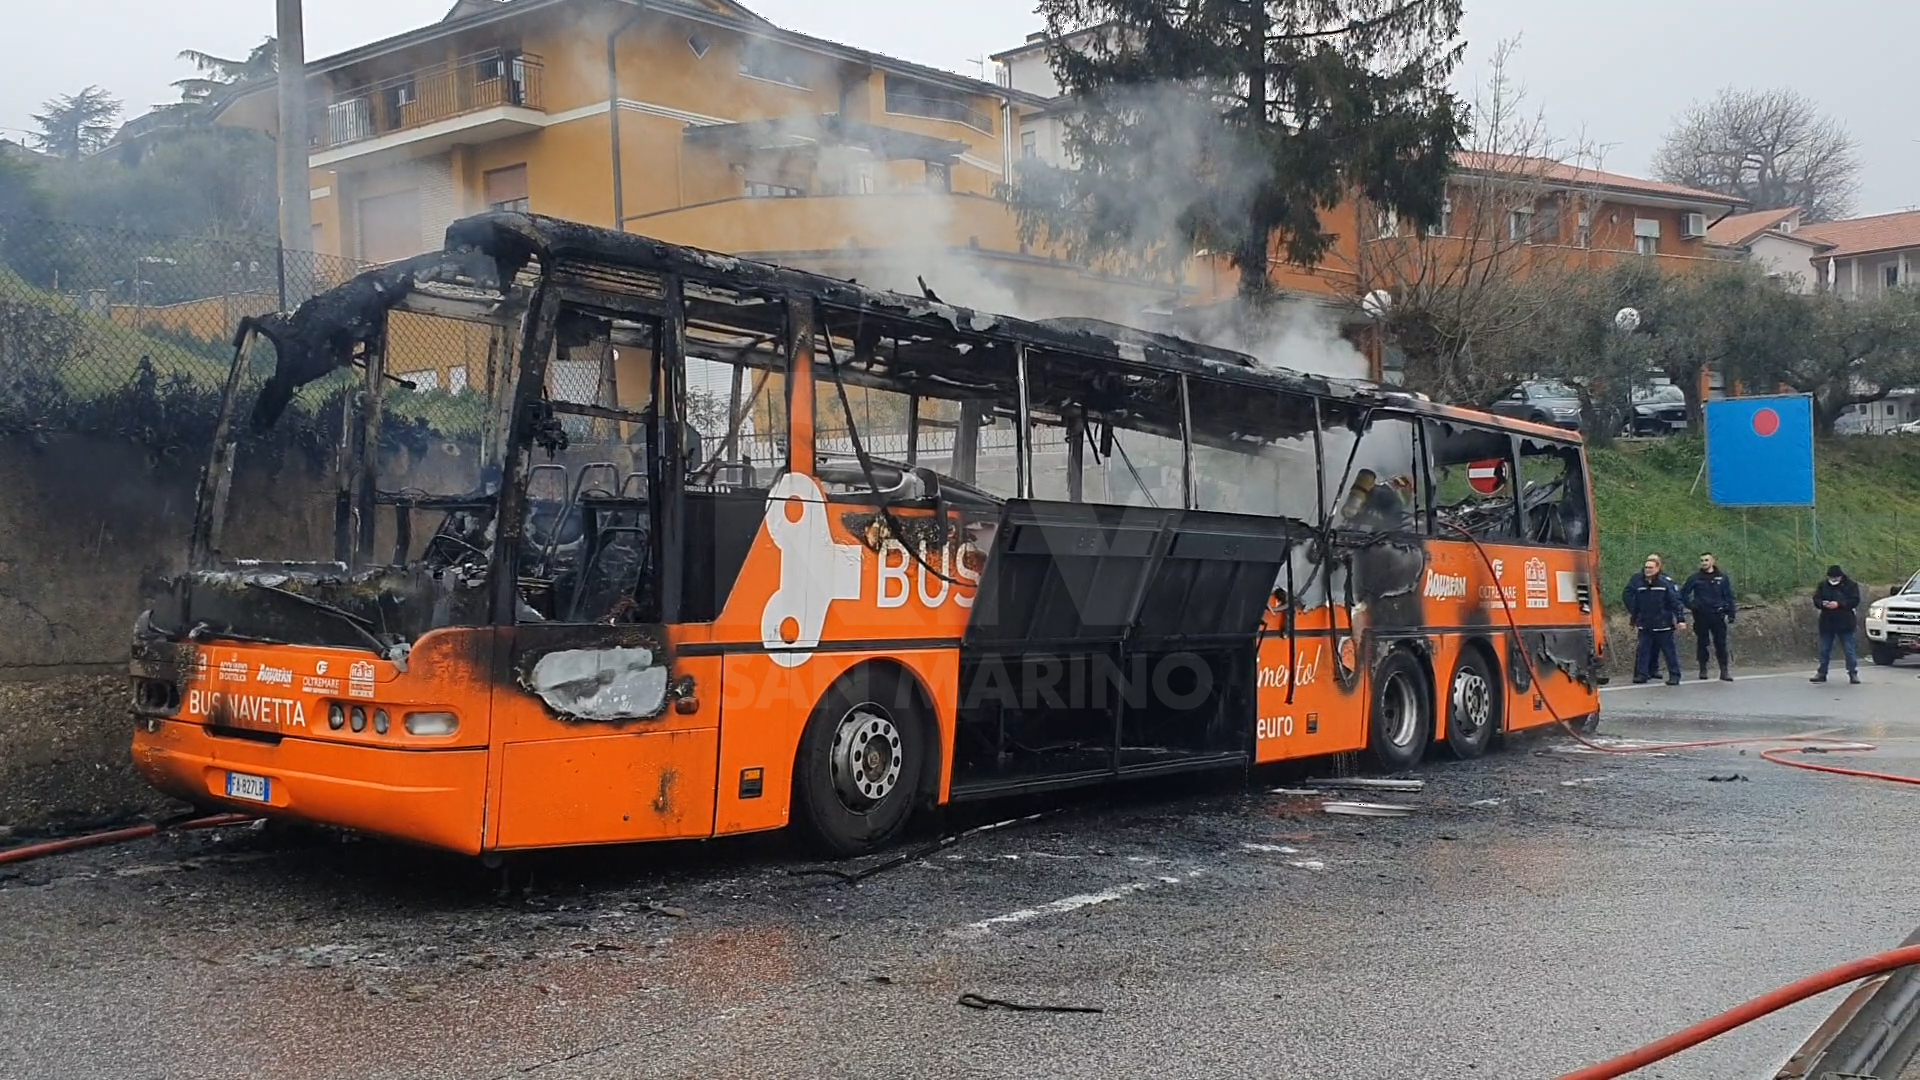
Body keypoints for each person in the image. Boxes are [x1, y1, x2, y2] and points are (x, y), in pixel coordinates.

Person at [1622, 554, 1688, 685]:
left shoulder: (1665, 584)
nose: (1648, 570)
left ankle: (1674, 675)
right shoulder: (1640, 585)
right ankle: (1642, 674)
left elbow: (1675, 602)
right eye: (1646, 568)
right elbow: (1637, 605)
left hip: (1663, 624)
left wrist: (1681, 619)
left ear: (1658, 568)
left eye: (1651, 568)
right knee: (1643, 651)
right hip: (1645, 624)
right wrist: (1633, 620)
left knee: (1669, 652)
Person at [1680, 552, 1737, 681]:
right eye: (1702, 560)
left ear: (1713, 561)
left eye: (1706, 560)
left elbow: (1729, 596)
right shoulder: (1695, 578)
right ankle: (1703, 668)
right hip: (1701, 615)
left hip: (1718, 614)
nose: (1704, 563)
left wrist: (1731, 613)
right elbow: (1683, 594)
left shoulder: (1722, 578)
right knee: (1702, 642)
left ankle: (1724, 670)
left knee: (1721, 643)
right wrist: (1692, 606)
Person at [1812, 564, 1862, 684]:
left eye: (1835, 578)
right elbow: (1816, 599)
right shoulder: (1823, 585)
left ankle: (1853, 674)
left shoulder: (1850, 585)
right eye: (1831, 578)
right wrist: (1822, 604)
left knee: (1849, 650)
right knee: (1824, 650)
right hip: (1827, 622)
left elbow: (1854, 600)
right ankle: (1822, 673)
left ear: (1840, 577)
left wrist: (1839, 604)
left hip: (1845, 622)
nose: (1833, 580)